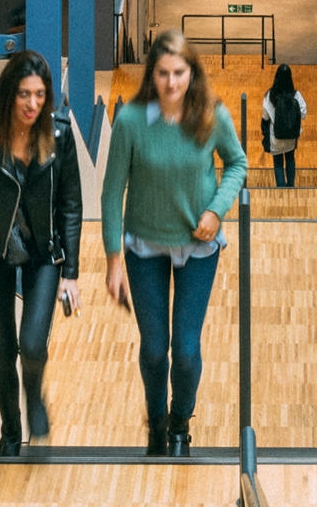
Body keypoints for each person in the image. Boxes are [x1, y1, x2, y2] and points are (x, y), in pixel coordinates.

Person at [101, 28, 245, 457]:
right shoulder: (130, 121)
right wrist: (113, 259)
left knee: (184, 350)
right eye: (162, 73)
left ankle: (180, 421)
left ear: (191, 73)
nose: (171, 83)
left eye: (179, 73)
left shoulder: (212, 116)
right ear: (152, 75)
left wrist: (216, 209)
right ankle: (156, 422)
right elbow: (112, 192)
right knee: (152, 350)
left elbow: (236, 163)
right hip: (144, 247)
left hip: (198, 247)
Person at [0, 50, 83, 456]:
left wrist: (71, 273)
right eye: (24, 94)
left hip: (44, 255)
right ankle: (10, 432)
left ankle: (35, 397)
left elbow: (71, 206)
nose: (33, 104)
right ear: (9, 94)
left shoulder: (59, 135)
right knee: (3, 353)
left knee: (33, 345)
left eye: (40, 94)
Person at [261, 62, 306, 188]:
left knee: (278, 163)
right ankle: (290, 186)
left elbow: (265, 116)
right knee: (290, 159)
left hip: (276, 136)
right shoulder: (296, 95)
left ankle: (281, 190)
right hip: (291, 136)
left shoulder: (270, 95)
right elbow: (303, 113)